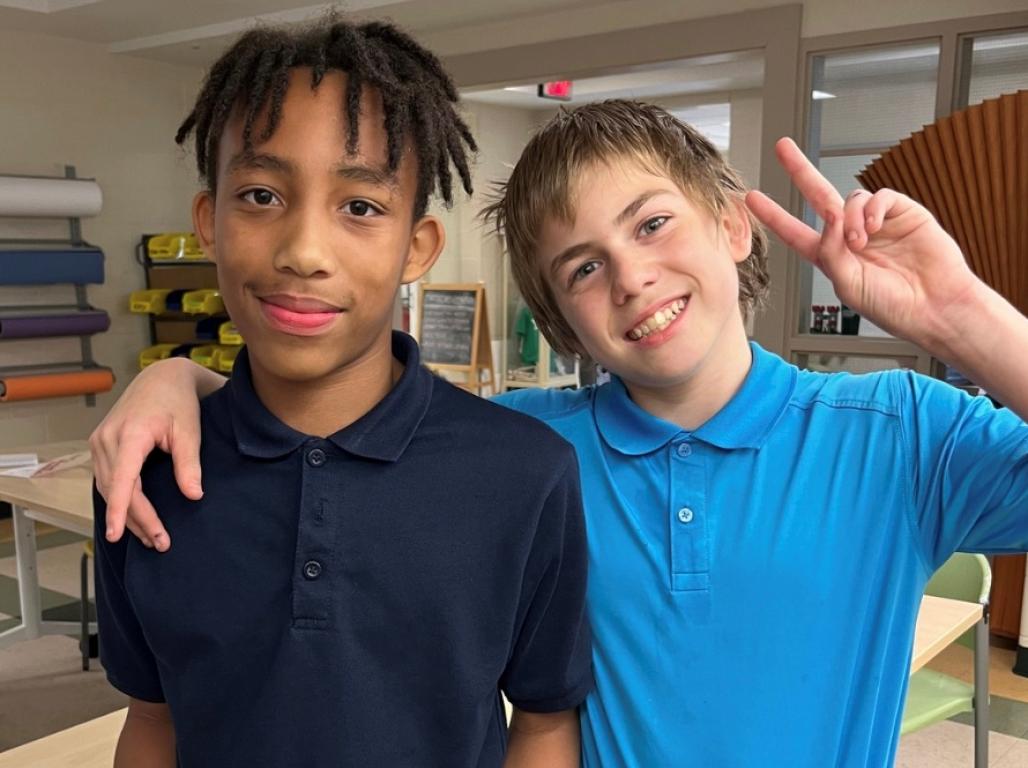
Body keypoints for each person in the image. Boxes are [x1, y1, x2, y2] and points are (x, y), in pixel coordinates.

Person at [93, 99, 1028, 766]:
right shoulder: (523, 453)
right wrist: (178, 376)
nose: (632, 278)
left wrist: (959, 317)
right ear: (562, 319)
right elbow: (340, 421)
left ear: (735, 227)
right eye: (584, 268)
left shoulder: (899, 433)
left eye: (654, 225)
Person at [92, 19, 591, 768]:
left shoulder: (524, 475)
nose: (303, 252)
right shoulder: (141, 472)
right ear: (209, 225)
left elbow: (544, 724)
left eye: (360, 207)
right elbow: (154, 717)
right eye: (260, 195)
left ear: (416, 247)